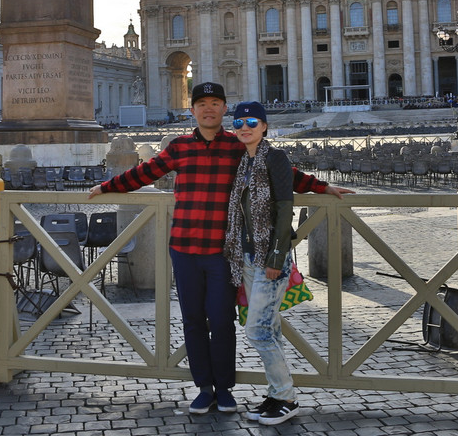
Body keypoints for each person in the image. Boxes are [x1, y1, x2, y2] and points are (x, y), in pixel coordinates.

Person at [89, 82, 351, 415]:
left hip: (222, 253)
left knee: (223, 320)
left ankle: (225, 388)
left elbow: (280, 172)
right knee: (193, 320)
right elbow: (143, 173)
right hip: (183, 249)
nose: (208, 108)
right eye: (202, 103)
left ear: (224, 109)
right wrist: (105, 186)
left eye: (215, 102)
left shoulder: (238, 146)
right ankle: (204, 387)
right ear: (192, 110)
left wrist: (322, 186)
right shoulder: (179, 147)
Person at [223, 102, 300, 425]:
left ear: (265, 126)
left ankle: (286, 396)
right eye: (239, 122)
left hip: (270, 257)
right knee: (269, 329)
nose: (244, 127)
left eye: (252, 121)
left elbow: (285, 208)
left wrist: (276, 256)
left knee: (257, 332)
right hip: (248, 258)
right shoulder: (242, 162)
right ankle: (275, 395)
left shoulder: (275, 158)